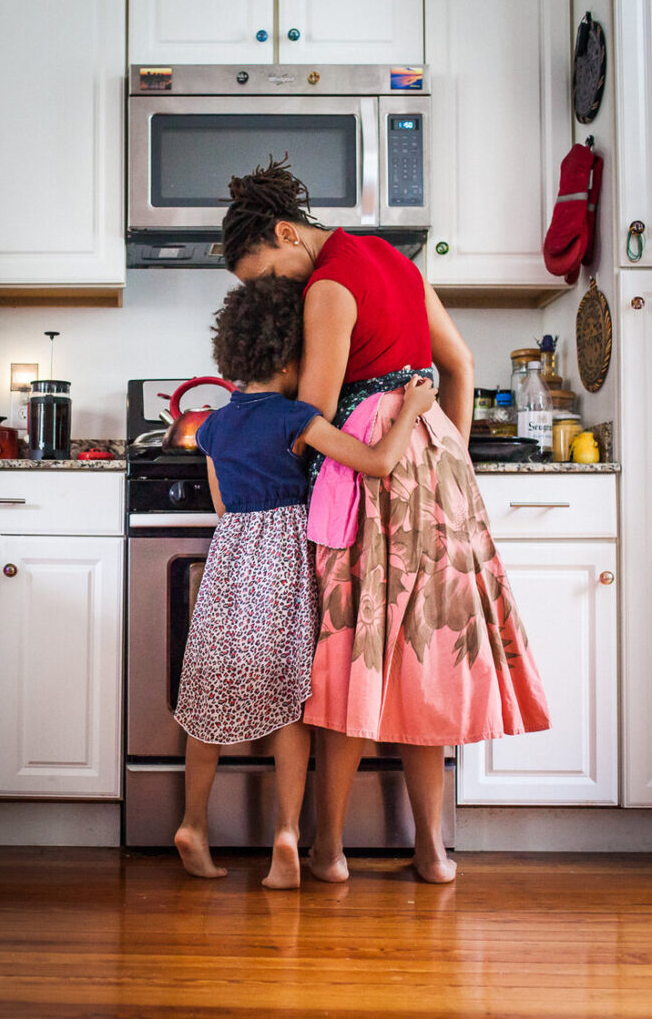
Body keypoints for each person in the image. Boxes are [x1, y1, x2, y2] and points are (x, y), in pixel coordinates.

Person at [221, 158, 551, 885]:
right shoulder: (397, 263)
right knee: (423, 660)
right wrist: (451, 458)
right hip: (437, 463)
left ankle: (330, 851)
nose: (271, 289)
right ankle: (432, 850)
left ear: (287, 234)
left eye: (266, 273)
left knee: (351, 658)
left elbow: (308, 415)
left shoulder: (327, 287)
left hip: (367, 474)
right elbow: (459, 364)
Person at [173, 274, 437, 890]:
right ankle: (287, 835)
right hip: (286, 566)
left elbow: (222, 506)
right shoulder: (297, 418)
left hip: (230, 567)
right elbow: (377, 462)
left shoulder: (210, 427)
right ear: (294, 359)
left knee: (207, 697)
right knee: (292, 702)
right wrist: (413, 410)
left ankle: (191, 823)